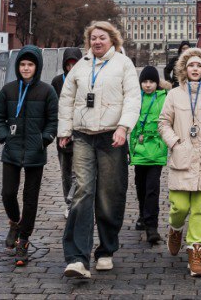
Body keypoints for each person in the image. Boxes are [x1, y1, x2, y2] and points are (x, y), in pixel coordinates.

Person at [57, 21, 141, 280]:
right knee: (82, 191)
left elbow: (132, 98)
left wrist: (124, 127)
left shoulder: (123, 64)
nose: (96, 42)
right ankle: (77, 258)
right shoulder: (81, 66)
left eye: (102, 37)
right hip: (83, 136)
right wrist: (64, 130)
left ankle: (106, 249)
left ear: (112, 40)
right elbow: (67, 98)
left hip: (111, 137)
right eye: (93, 38)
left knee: (109, 194)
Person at [158, 48, 201, 278]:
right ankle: (175, 229)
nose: (195, 69)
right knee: (180, 207)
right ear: (184, 70)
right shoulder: (174, 95)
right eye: (191, 65)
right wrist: (175, 143)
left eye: (199, 65)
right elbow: (164, 123)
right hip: (182, 157)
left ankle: (195, 253)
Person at [0, 45, 58, 266]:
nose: (26, 68)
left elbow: (53, 121)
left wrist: (44, 139)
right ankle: (14, 222)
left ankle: (24, 240)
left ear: (36, 67)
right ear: (17, 66)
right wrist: (4, 137)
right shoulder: (8, 90)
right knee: (8, 193)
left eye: (30, 64)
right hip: (12, 150)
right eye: (22, 64)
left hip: (35, 152)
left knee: (30, 199)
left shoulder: (47, 91)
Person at [128, 65, 167, 245]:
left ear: (157, 83)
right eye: (145, 81)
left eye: (152, 81)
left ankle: (152, 226)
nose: (148, 85)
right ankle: (143, 215)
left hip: (156, 150)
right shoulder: (135, 98)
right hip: (139, 148)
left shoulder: (164, 98)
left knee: (152, 187)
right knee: (140, 185)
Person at [51, 47, 82, 214]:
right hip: (63, 133)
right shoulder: (57, 82)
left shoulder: (84, 80)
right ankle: (68, 203)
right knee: (65, 172)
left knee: (78, 173)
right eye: (68, 65)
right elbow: (53, 107)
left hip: (80, 132)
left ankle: (74, 202)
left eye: (74, 64)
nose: (71, 68)